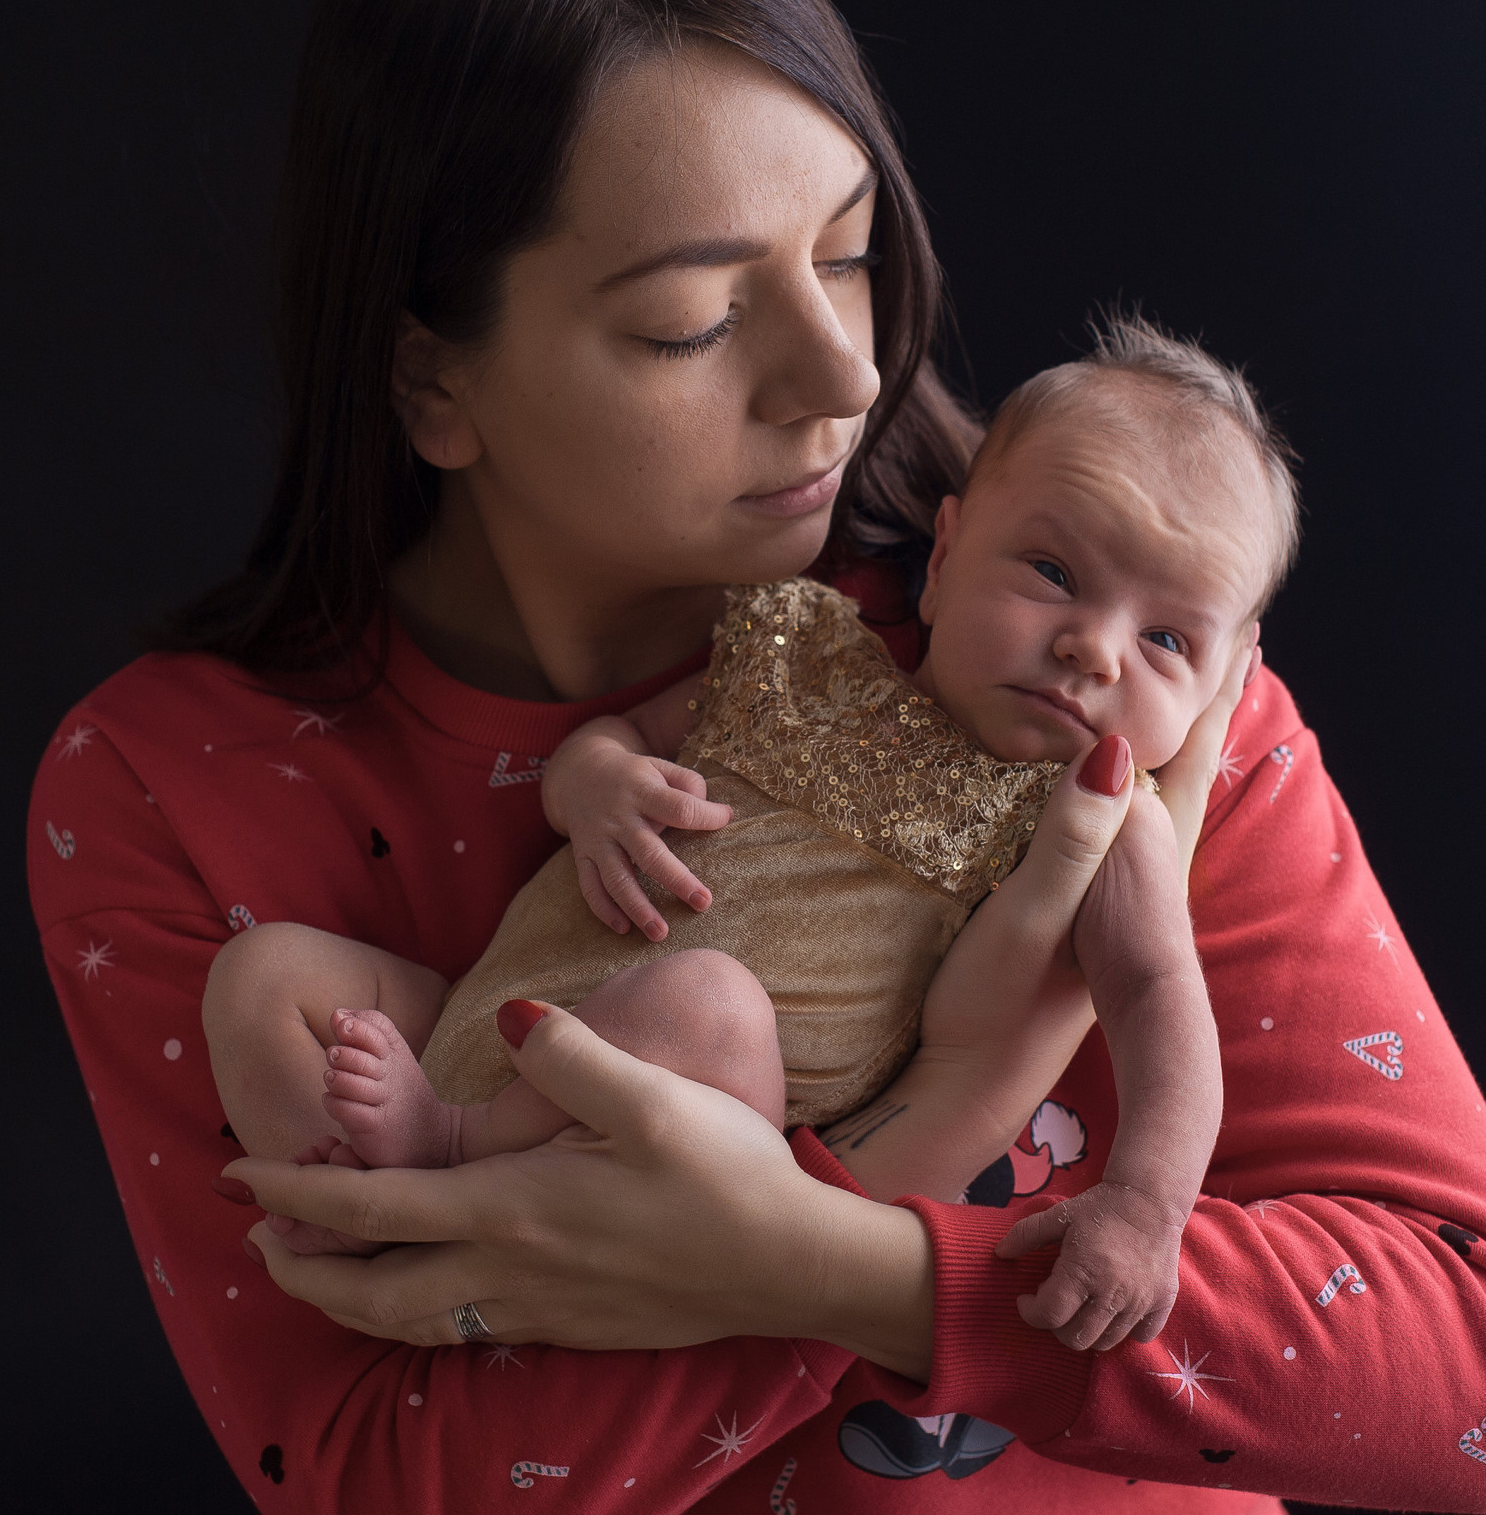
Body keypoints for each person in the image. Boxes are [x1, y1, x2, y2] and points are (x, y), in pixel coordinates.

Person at [27, 0, 1486, 1512]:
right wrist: (943, 1114)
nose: (843, 374)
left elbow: (1474, 1378)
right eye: (693, 320)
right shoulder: (174, 791)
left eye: (847, 253)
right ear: (431, 380)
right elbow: (385, 1482)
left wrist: (849, 1261)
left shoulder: (1096, 668)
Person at [207, 323, 1292, 1356]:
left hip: (685, 1118)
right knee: (264, 977)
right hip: (495, 1008)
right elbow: (622, 737)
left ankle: (446, 1154)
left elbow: (1159, 997)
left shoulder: (1097, 820)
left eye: (1165, 639)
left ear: (1218, 687)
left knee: (708, 997)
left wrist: (1147, 1204)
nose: (1093, 649)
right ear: (946, 554)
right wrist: (594, 783)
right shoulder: (804, 652)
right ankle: (352, 1209)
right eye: (1052, 573)